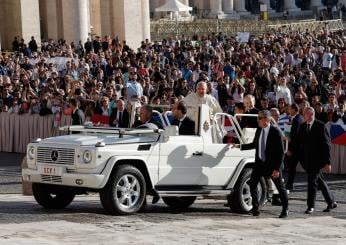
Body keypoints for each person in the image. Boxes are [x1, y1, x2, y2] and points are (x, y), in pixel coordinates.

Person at [237, 110, 289, 218]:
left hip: (272, 165)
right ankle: (255, 209)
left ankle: (285, 209)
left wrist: (276, 169)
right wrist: (240, 146)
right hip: (260, 163)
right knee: (253, 183)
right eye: (258, 117)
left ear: (267, 119)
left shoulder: (275, 132)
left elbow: (281, 152)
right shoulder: (259, 130)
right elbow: (255, 144)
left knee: (280, 187)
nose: (257, 120)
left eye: (260, 118)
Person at [297, 107, 337, 214]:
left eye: (308, 114)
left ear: (312, 114)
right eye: (304, 114)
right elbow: (300, 143)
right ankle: (331, 201)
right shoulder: (302, 126)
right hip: (307, 161)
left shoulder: (321, 126)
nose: (305, 116)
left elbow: (326, 145)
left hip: (318, 161)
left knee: (312, 182)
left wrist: (327, 162)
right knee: (319, 181)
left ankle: (311, 206)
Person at [285, 104, 304, 190]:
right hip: (298, 148)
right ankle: (289, 184)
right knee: (292, 167)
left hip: (297, 148)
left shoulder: (297, 120)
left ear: (294, 110)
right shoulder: (297, 118)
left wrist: (290, 149)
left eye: (289, 109)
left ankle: (289, 184)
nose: (288, 110)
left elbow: (295, 136)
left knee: (306, 166)